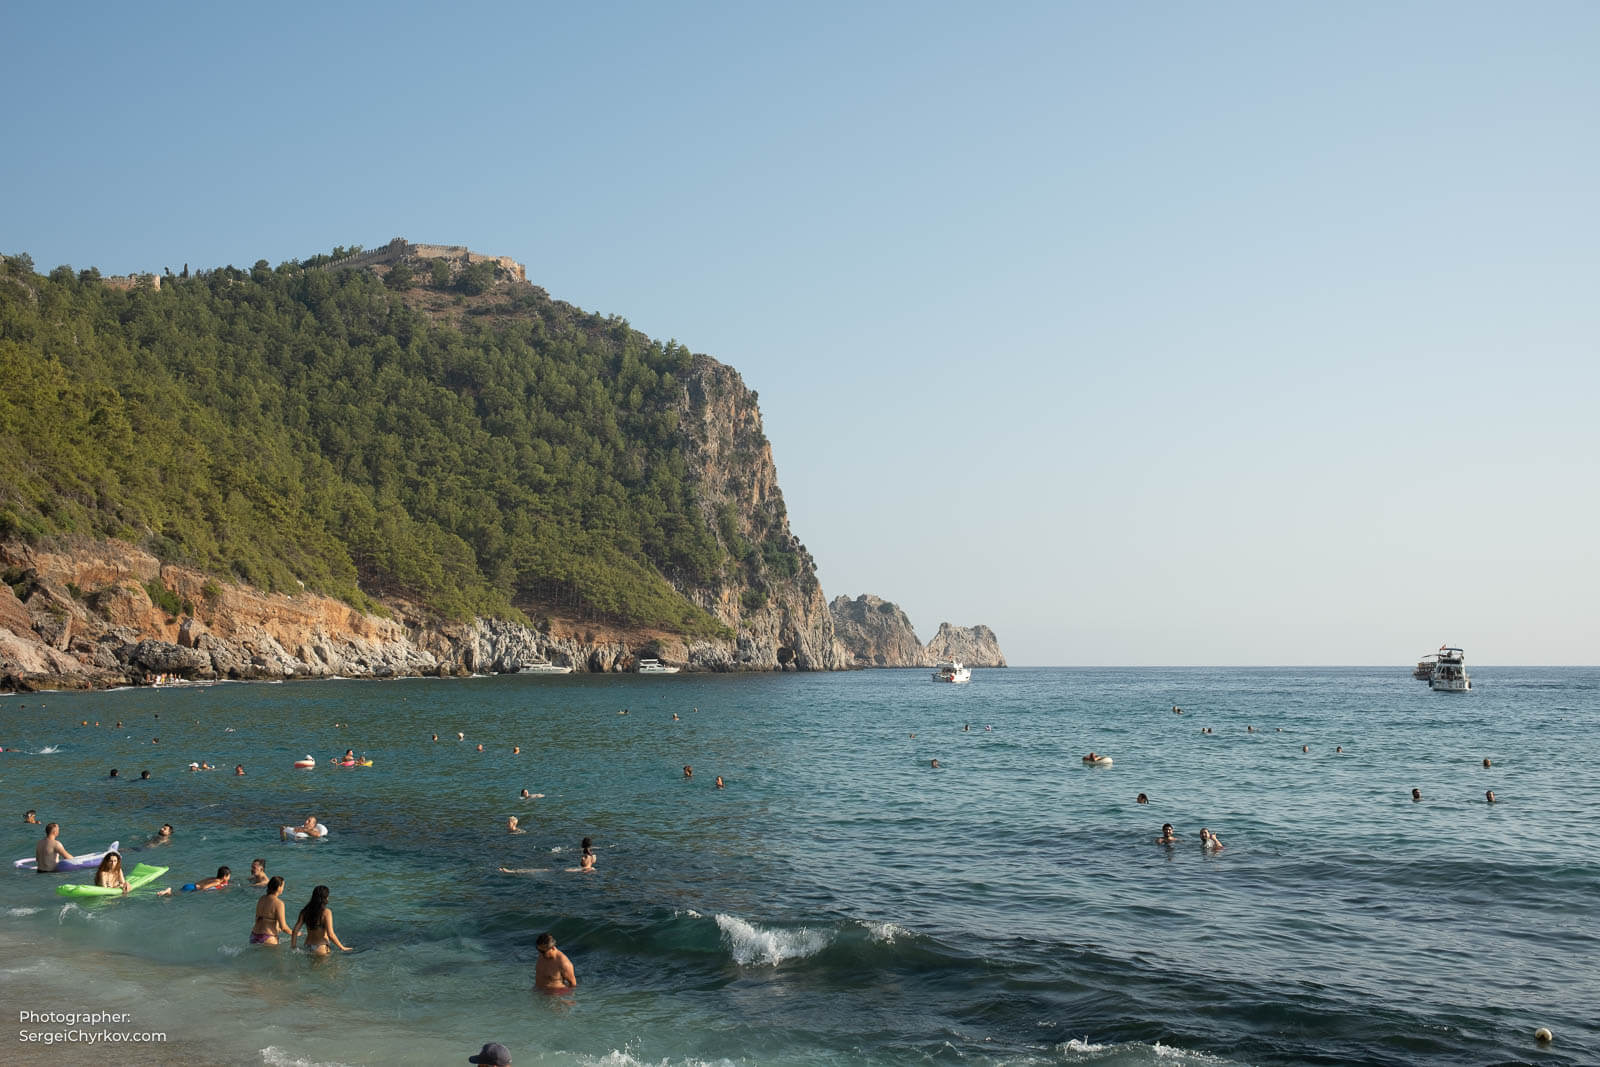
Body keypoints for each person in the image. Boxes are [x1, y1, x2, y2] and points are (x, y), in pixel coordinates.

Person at [291, 884, 350, 955]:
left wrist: (293, 946)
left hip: (307, 946)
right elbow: (330, 934)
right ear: (325, 898)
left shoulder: (304, 911)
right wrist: (342, 947)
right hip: (320, 947)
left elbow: (295, 931)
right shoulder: (326, 912)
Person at [251, 876, 292, 945]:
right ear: (279, 887)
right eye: (283, 886)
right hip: (268, 938)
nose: (283, 888)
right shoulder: (279, 903)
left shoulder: (261, 899)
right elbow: (284, 927)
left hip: (254, 936)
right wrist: (296, 933)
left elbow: (258, 918)